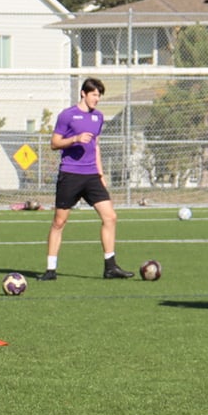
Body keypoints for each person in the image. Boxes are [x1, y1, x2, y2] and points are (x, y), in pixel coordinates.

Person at [42, 78, 132, 280]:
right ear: (83, 93)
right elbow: (54, 143)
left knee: (110, 217)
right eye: (94, 94)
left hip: (91, 175)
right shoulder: (67, 115)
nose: (97, 99)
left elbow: (96, 146)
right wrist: (74, 139)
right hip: (71, 174)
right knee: (59, 221)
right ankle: (50, 270)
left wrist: (101, 174)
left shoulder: (98, 117)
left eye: (99, 95)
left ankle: (110, 267)